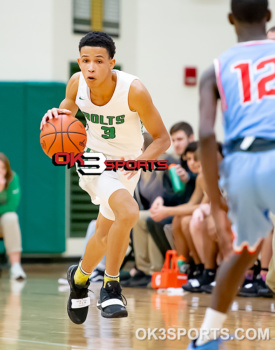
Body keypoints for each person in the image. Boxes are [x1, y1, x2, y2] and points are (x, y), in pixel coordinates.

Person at [40, 31, 170, 323]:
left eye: (98, 61)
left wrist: (140, 162)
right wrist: (56, 115)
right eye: (85, 60)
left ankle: (81, 277)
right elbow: (68, 109)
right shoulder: (77, 82)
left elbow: (163, 139)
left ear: (112, 63)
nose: (91, 67)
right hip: (93, 158)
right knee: (129, 211)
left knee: (103, 232)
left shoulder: (134, 90)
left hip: (128, 163)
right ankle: (111, 286)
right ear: (79, 61)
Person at [190, 1, 275, 349]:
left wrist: (215, 204)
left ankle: (206, 340)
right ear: (269, 16)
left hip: (242, 162)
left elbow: (207, 136)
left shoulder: (215, 69)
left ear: (230, 19)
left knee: (242, 252)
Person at [146, 123, 197, 258]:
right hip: (179, 208)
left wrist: (188, 177)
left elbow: (206, 177)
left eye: (180, 139)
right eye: (173, 140)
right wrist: (160, 199)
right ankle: (170, 262)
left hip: (193, 209)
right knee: (152, 219)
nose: (176, 144)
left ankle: (183, 263)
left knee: (163, 220)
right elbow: (168, 193)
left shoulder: (199, 158)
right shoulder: (173, 163)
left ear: (191, 138)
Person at [0, 153, 26, 280]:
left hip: (3, 221)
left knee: (11, 217)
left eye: (3, 168)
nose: (0, 171)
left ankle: (16, 266)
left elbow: (12, 205)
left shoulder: (12, 178)